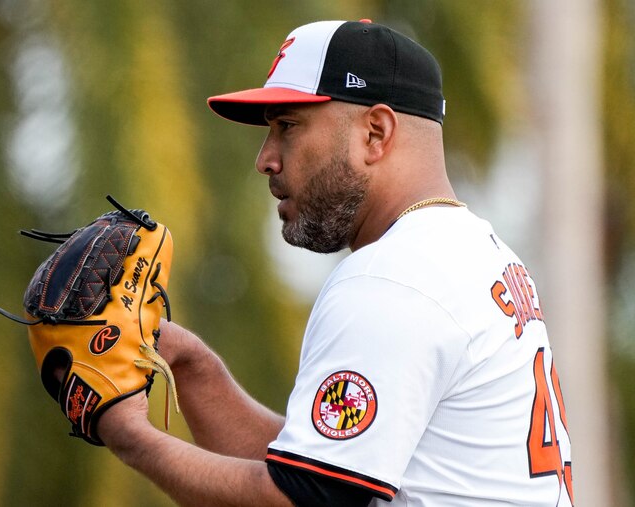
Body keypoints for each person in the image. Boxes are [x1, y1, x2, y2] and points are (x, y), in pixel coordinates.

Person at [97, 19, 574, 506]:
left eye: (288, 126)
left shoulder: (393, 277)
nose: (265, 158)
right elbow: (328, 470)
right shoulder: (469, 250)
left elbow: (305, 498)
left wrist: (129, 436)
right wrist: (192, 364)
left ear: (375, 133)